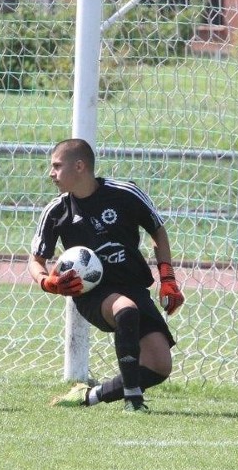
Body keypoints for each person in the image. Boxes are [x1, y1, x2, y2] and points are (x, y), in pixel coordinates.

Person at [28, 138, 184, 413]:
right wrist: (47, 282)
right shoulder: (57, 210)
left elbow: (157, 231)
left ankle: (89, 396)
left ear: (79, 166)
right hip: (92, 293)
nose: (51, 173)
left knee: (159, 366)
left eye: (56, 166)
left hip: (132, 285)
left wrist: (168, 279)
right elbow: (36, 259)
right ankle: (133, 402)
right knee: (126, 310)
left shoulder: (125, 193)